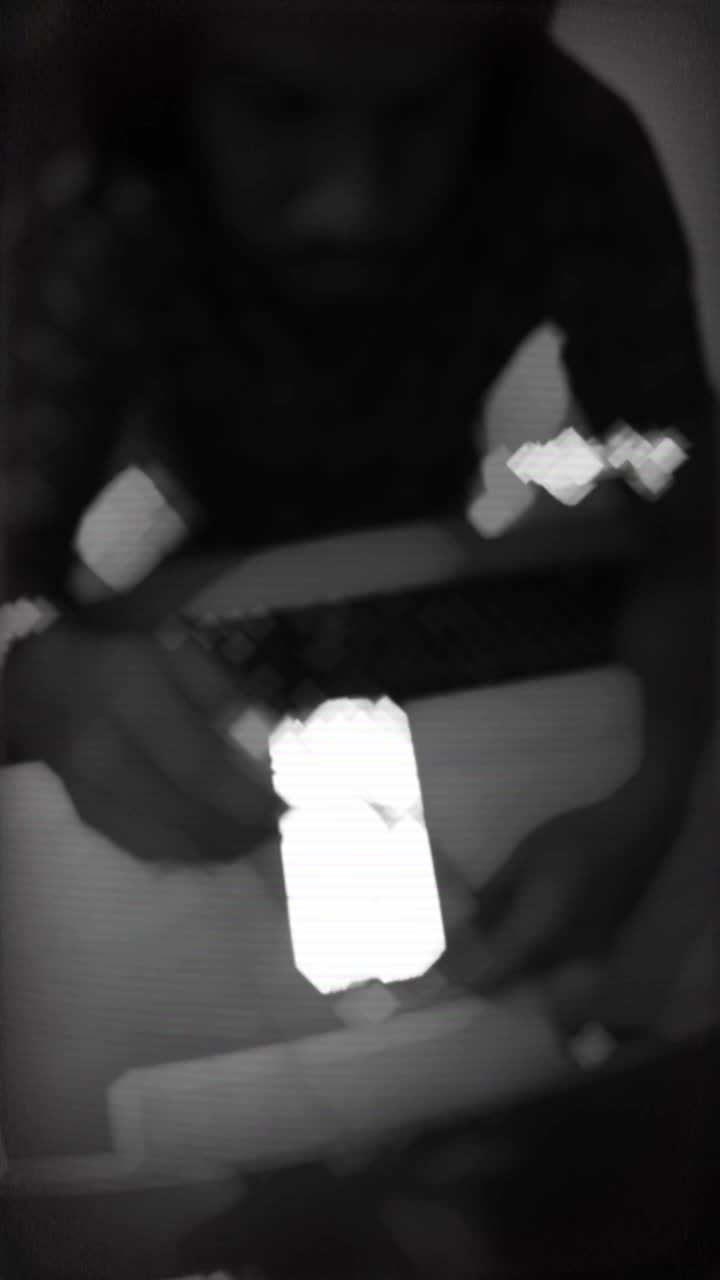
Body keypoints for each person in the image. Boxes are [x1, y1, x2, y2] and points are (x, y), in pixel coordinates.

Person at [1, 0, 715, 1005]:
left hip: (435, 535)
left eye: (421, 113)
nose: (354, 204)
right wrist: (32, 658)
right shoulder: (80, 157)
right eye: (279, 108)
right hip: (166, 535)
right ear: (169, 75)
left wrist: (657, 791)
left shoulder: (569, 141)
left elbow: (683, 494)